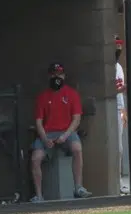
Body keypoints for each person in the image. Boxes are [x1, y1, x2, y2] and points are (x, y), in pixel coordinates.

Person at [30, 62, 92, 202]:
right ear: (49, 76)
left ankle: (78, 187)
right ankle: (39, 195)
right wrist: (45, 139)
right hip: (47, 133)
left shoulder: (72, 94)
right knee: (35, 158)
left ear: (64, 75)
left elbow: (76, 119)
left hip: (66, 132)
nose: (56, 77)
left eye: (59, 74)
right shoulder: (42, 96)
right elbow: (39, 122)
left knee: (77, 148)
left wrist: (65, 136)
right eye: (53, 74)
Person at [115, 34, 129, 194]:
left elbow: (119, 93)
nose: (118, 49)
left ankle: (118, 182)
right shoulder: (106, 67)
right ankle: (113, 183)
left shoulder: (118, 67)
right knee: (115, 148)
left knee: (119, 149)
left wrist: (124, 110)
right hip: (108, 109)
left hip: (118, 108)